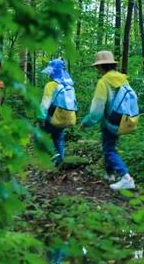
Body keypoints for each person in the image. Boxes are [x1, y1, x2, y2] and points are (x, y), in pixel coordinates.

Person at [81, 51, 135, 191]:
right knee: (110, 145)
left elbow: (97, 110)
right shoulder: (123, 79)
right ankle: (110, 175)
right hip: (123, 120)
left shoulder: (103, 82)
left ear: (101, 67)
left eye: (97, 67)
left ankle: (125, 177)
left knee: (109, 149)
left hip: (109, 122)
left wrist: (86, 122)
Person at [37, 58, 77, 165]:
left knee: (38, 135)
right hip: (66, 117)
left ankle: (50, 156)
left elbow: (45, 103)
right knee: (58, 138)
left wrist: (41, 118)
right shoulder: (69, 86)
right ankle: (60, 162)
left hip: (52, 117)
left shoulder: (51, 85)